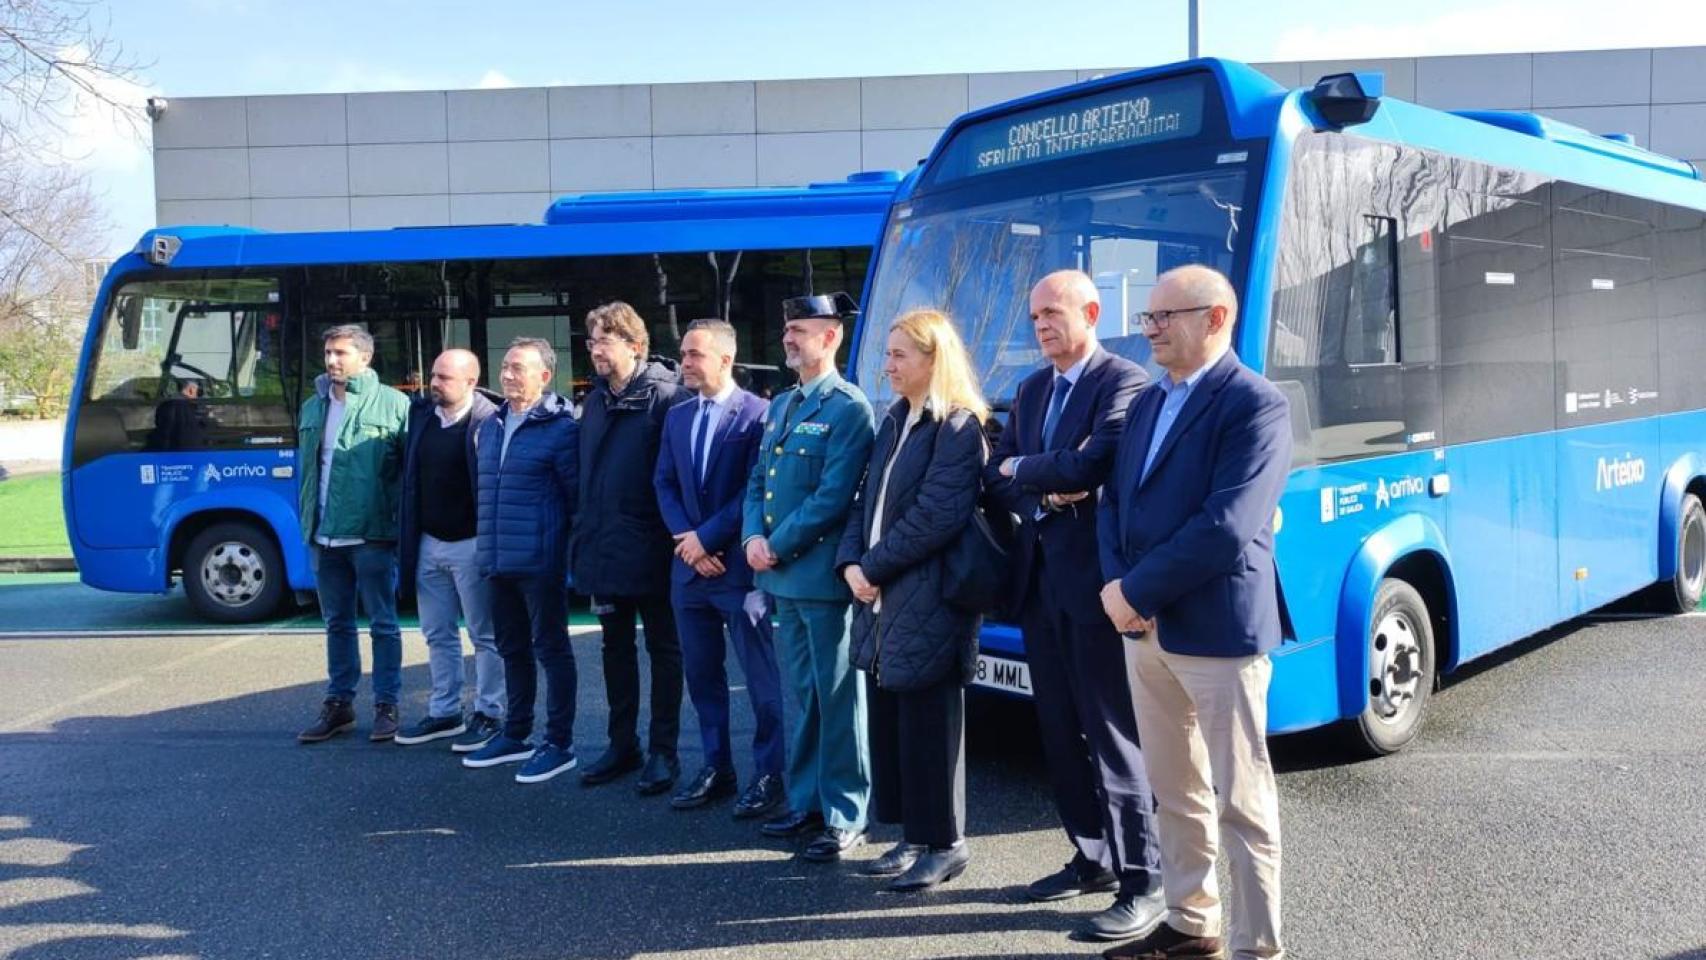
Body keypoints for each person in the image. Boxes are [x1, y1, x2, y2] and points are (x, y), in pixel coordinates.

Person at [1097, 265, 1292, 960]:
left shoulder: (1255, 404)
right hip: (1143, 627)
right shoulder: (1150, 401)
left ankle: (1255, 947)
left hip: (1216, 633)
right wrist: (1119, 588)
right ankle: (1191, 922)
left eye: (1163, 317)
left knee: (1242, 803)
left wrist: (1136, 592)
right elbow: (1114, 501)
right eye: (1147, 318)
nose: (1149, 330)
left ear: (1215, 319)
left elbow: (1226, 524)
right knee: (1173, 789)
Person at [984, 270, 1163, 941]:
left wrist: (1030, 472)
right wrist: (1042, 486)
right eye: (1034, 318)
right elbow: (992, 475)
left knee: (1114, 735)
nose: (1041, 326)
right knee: (1057, 730)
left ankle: (1143, 879)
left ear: (1091, 312)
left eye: (1053, 313)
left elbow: (1093, 467)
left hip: (1097, 590)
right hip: (1038, 589)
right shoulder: (1031, 390)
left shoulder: (1124, 381)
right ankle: (1090, 855)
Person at [835, 308, 986, 891]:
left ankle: (946, 843)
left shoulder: (959, 427)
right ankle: (913, 835)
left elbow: (936, 518)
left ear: (933, 359)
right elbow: (862, 502)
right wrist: (850, 562)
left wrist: (870, 567)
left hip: (926, 598)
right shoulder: (896, 419)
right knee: (894, 722)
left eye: (900, 354)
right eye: (889, 353)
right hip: (880, 596)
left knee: (932, 724)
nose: (888, 364)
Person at [742, 292, 876, 862]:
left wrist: (777, 544)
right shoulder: (782, 405)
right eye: (787, 329)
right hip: (781, 580)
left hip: (820, 580)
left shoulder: (848, 408)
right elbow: (757, 481)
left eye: (799, 329)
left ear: (831, 337)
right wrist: (751, 537)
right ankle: (807, 802)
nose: (788, 339)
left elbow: (833, 498)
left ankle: (846, 813)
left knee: (839, 698)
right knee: (805, 695)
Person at [653, 319, 786, 817]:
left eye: (694, 354)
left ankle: (769, 773)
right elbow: (663, 483)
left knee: (760, 682)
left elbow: (754, 491)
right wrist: (689, 545)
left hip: (738, 573)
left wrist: (706, 540)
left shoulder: (759, 415)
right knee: (702, 677)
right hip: (689, 574)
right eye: (684, 354)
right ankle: (716, 767)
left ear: (726, 360)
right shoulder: (678, 417)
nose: (684, 362)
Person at [569, 301, 691, 796]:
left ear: (635, 346)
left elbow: (679, 479)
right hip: (604, 551)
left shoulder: (668, 398)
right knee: (614, 650)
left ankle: (664, 752)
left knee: (665, 651)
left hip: (656, 551)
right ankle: (623, 745)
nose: (595, 350)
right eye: (592, 341)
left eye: (604, 340)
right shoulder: (595, 401)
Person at [462, 337, 582, 784]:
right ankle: (515, 733)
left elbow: (575, 500)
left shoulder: (562, 428)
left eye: (519, 368)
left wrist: (564, 555)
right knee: (512, 649)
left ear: (545, 376)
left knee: (551, 650)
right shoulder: (490, 426)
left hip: (540, 562)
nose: (508, 375)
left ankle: (559, 742)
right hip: (495, 560)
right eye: (506, 366)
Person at [295, 325, 411, 743]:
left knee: (383, 622)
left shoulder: (395, 405)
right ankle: (339, 705)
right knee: (336, 623)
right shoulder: (312, 407)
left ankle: (386, 704)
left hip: (371, 534)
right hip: (323, 537)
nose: (331, 361)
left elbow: (408, 475)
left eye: (341, 353)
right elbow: (309, 472)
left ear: (365, 358)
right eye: (328, 352)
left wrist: (398, 525)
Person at [394, 349, 505, 751]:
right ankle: (445, 712)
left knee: (485, 634)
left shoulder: (490, 420)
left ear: (471, 382)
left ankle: (489, 712)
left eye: (444, 378)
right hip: (428, 544)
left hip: (472, 545)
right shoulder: (421, 416)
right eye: (434, 376)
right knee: (437, 633)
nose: (434, 384)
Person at [147, 378, 206, 450]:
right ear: (191, 390)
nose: (197, 396)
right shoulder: (191, 407)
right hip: (188, 450)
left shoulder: (165, 404)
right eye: (197, 392)